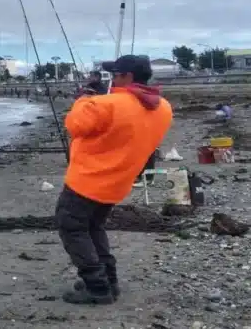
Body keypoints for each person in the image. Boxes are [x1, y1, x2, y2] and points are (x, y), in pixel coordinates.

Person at [55, 55, 173, 305]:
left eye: (115, 74)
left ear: (127, 77)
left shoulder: (106, 105)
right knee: (93, 227)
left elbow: (75, 125)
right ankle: (109, 280)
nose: (112, 79)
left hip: (87, 181)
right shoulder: (163, 107)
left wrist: (83, 101)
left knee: (73, 228)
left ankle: (97, 287)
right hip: (118, 182)